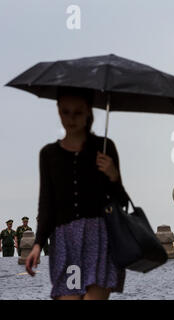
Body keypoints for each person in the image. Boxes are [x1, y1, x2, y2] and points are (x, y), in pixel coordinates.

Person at [25, 87, 130, 300]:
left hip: (99, 238)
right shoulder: (49, 154)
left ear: (88, 112)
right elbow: (47, 203)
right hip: (66, 242)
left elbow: (121, 201)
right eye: (65, 112)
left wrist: (113, 175)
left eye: (78, 112)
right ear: (58, 110)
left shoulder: (104, 148)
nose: (71, 118)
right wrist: (38, 243)